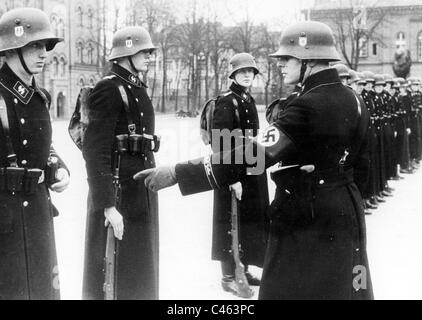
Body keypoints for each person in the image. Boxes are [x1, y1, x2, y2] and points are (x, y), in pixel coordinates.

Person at [135, 21, 374, 300]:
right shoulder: (354, 99)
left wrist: (179, 173)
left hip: (305, 215)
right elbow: (364, 166)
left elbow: (256, 153)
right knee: (347, 288)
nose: (280, 64)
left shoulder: (307, 104)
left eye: (287, 58)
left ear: (308, 58)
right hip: (347, 211)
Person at [82, 26, 160, 300]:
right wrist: (107, 205)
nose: (150, 55)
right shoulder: (109, 88)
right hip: (118, 191)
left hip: (140, 190)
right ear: (126, 53)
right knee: (114, 274)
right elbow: (95, 150)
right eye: (144, 51)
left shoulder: (136, 86)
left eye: (150, 51)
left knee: (139, 268)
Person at [0, 7, 70, 299]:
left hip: (38, 211)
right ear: (12, 49)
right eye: (34, 46)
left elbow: (44, 145)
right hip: (5, 218)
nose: (44, 53)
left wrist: (58, 166)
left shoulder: (38, 97)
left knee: (42, 288)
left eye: (45, 46)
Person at [209, 53, 269, 295]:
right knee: (228, 221)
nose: (247, 75)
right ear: (232, 74)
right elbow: (220, 142)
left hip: (251, 167)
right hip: (231, 170)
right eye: (242, 71)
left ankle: (242, 267)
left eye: (251, 71)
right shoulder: (227, 101)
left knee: (249, 219)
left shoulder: (247, 99)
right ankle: (227, 276)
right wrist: (232, 177)